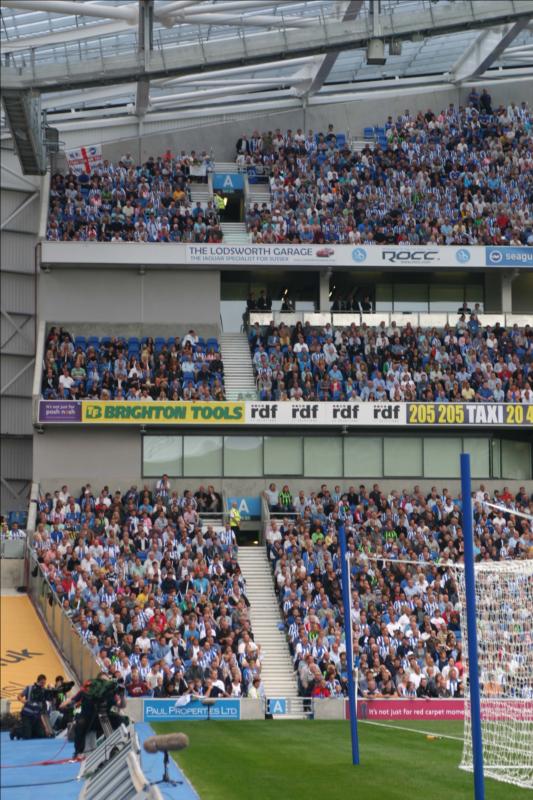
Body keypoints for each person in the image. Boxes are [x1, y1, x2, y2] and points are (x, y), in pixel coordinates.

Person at [61, 673, 128, 758]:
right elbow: (72, 699)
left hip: (104, 717)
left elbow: (122, 705)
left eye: (106, 681)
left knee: (121, 720)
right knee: (81, 723)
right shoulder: (86, 690)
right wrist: (64, 704)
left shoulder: (111, 693)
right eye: (102, 681)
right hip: (88, 718)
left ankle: (114, 746)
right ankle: (79, 752)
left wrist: (122, 696)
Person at [14, 674, 51, 740]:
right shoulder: (29, 688)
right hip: (26, 715)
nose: (43, 685)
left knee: (42, 735)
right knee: (27, 736)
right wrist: (24, 701)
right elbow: (19, 696)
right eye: (42, 683)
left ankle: (31, 730)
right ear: (38, 681)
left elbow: (42, 712)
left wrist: (46, 728)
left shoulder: (44, 691)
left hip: (36, 716)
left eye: (44, 683)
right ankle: (15, 731)